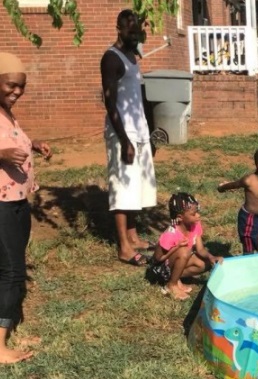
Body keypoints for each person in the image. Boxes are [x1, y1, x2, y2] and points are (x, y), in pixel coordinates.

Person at [0, 53, 52, 363]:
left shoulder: (6, 113)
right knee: (12, 272)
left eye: (21, 88)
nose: (16, 92)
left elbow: (12, 139)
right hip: (2, 206)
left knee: (12, 265)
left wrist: (33, 144)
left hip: (17, 203)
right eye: (10, 86)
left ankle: (9, 327)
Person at [101, 9, 157, 266]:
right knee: (123, 187)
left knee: (136, 185)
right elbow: (110, 104)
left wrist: (149, 133)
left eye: (139, 31)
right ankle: (124, 247)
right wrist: (124, 140)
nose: (136, 36)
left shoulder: (133, 55)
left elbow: (137, 98)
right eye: (131, 31)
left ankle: (133, 236)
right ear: (119, 29)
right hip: (122, 133)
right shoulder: (111, 59)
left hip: (140, 131)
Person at [149, 193, 224, 300]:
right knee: (184, 251)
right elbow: (156, 260)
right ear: (180, 217)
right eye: (194, 214)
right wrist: (177, 247)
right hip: (160, 268)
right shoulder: (171, 234)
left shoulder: (195, 225)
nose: (198, 216)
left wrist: (211, 257)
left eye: (197, 212)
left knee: (204, 264)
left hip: (177, 261)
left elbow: (200, 249)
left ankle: (176, 278)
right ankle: (171, 285)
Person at [217, 146, 258, 254]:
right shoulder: (249, 181)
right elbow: (235, 184)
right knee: (249, 249)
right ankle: (248, 266)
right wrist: (223, 187)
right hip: (248, 219)